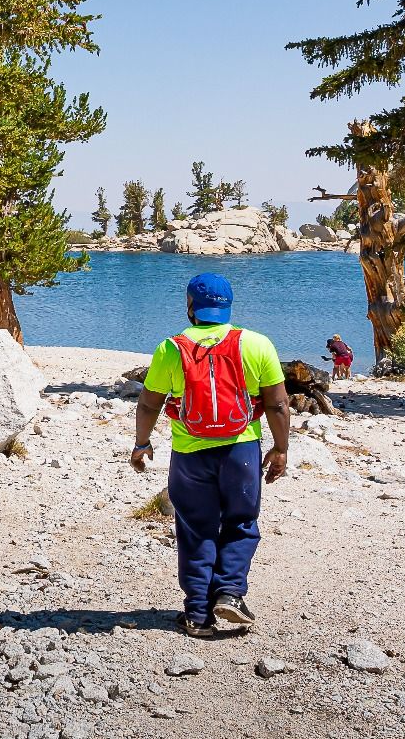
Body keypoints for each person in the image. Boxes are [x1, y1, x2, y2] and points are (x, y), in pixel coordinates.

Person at [131, 272, 289, 638]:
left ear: (190, 307)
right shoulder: (257, 344)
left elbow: (149, 402)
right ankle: (230, 593)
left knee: (195, 529)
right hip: (241, 450)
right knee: (242, 522)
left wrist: (141, 443)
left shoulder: (170, 348)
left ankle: (198, 614)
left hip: (189, 453)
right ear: (229, 306)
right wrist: (280, 448)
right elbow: (278, 403)